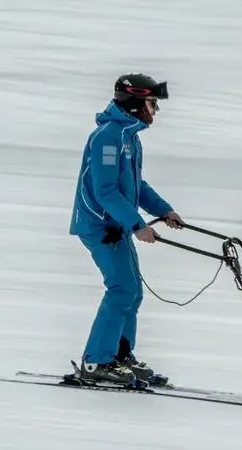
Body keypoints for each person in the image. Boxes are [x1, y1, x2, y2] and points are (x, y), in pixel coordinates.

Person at [69, 72, 184, 385]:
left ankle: (120, 355)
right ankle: (96, 361)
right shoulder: (107, 137)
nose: (156, 110)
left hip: (117, 226)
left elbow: (135, 185)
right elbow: (105, 191)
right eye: (152, 103)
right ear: (134, 104)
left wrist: (163, 210)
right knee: (122, 289)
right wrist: (136, 224)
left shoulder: (129, 137)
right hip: (101, 227)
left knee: (132, 292)